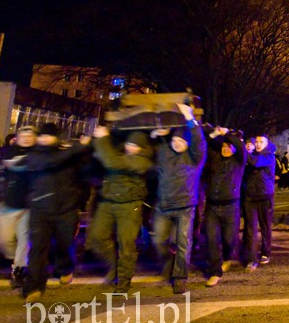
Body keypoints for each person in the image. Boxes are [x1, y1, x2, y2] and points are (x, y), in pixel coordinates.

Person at [12, 123, 91, 303]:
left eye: (49, 136)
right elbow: (51, 162)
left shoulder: (68, 155)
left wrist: (86, 151)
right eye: (42, 136)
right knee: (37, 249)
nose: (45, 139)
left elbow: (85, 171)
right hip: (40, 210)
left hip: (66, 210)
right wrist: (80, 146)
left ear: (57, 137)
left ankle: (65, 268)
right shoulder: (34, 155)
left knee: (65, 244)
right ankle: (33, 288)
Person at [86, 126, 154, 293]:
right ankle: (114, 266)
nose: (130, 147)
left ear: (142, 148)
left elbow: (112, 162)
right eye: (129, 143)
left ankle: (123, 281)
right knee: (96, 238)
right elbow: (101, 157)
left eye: (135, 145)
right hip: (108, 202)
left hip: (130, 205)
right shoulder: (119, 153)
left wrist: (102, 139)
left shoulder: (142, 161)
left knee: (127, 244)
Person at [150, 104, 206, 295]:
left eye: (181, 141)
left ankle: (180, 277)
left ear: (187, 143)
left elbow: (199, 141)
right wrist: (155, 135)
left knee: (183, 243)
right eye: (175, 140)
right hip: (163, 206)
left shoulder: (194, 158)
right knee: (158, 240)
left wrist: (189, 118)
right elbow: (158, 142)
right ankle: (169, 265)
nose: (177, 143)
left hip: (185, 207)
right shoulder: (165, 153)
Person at [203, 127, 246, 287]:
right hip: (212, 207)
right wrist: (215, 134)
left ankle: (228, 256)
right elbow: (205, 144)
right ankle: (215, 272)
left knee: (229, 239)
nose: (225, 149)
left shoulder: (238, 162)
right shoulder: (214, 160)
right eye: (223, 146)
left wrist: (226, 134)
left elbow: (241, 147)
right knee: (212, 239)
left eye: (229, 146)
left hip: (231, 207)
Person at [0, 128, 35, 289]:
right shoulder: (5, 153)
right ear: (17, 138)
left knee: (24, 240)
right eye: (23, 136)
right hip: (7, 204)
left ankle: (19, 270)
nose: (26, 139)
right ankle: (16, 259)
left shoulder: (39, 155)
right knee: (3, 240)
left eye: (30, 136)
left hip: (29, 206)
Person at [242, 134, 277, 272]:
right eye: (256, 141)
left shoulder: (268, 156)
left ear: (266, 144)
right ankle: (251, 258)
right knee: (250, 228)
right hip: (250, 197)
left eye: (261, 142)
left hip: (265, 196)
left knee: (265, 226)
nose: (257, 144)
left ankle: (265, 252)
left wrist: (245, 151)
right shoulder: (250, 156)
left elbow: (256, 162)